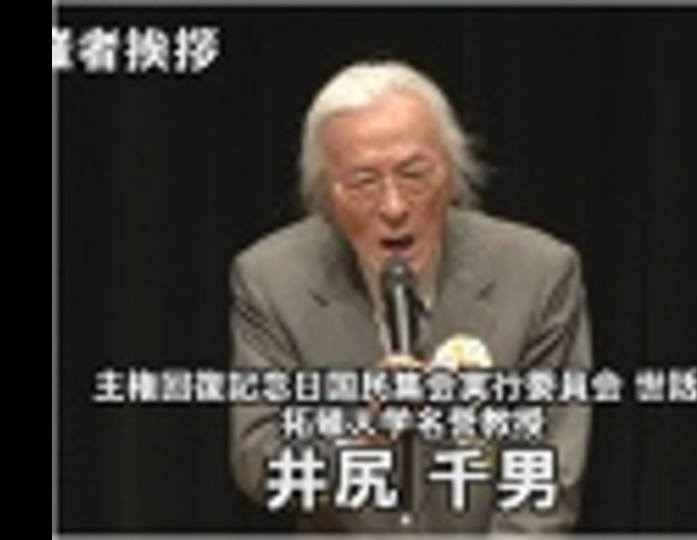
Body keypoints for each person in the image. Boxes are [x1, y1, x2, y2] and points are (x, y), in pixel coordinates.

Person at [229, 59, 592, 533]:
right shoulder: (272, 278)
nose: (394, 206)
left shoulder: (537, 273)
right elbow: (258, 459)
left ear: (453, 174)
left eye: (415, 174)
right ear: (324, 193)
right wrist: (360, 433)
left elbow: (547, 478)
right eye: (363, 182)